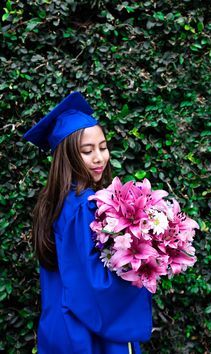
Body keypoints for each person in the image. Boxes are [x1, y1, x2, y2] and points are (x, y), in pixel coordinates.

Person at [23, 91, 153, 354]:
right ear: (67, 156)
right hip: (88, 333)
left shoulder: (55, 201)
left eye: (103, 147)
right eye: (87, 151)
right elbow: (95, 285)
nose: (99, 158)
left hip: (59, 324)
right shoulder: (86, 206)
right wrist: (144, 270)